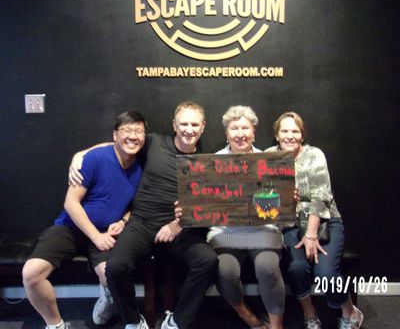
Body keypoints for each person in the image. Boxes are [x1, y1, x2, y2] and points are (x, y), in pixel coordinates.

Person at [68, 101, 219, 329]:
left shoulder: (207, 162)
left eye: (194, 124)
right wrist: (80, 154)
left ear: (203, 127)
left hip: (178, 229)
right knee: (115, 267)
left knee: (208, 261)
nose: (189, 129)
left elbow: (210, 206)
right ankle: (133, 321)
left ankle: (177, 321)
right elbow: (118, 143)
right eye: (184, 124)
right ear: (174, 125)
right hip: (141, 224)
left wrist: (178, 224)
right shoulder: (154, 142)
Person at [22, 111, 147, 329]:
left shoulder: (142, 168)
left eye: (138, 131)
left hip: (107, 232)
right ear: (115, 135)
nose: (133, 136)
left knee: (112, 276)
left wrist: (123, 220)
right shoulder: (96, 158)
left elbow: (133, 206)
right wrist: (96, 236)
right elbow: (71, 203)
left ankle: (108, 297)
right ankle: (56, 325)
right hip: (71, 228)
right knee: (31, 274)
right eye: (127, 130)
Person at [265, 112, 363, 329]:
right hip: (290, 223)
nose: (290, 136)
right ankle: (310, 314)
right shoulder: (268, 157)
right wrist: (284, 199)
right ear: (277, 135)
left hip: (325, 222)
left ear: (302, 135)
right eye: (285, 131)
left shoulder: (314, 155)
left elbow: (321, 198)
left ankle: (349, 311)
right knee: (296, 269)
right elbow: (262, 195)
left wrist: (310, 235)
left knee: (325, 274)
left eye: (295, 131)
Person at [207, 106, 285, 329]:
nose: (240, 134)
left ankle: (277, 325)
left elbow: (277, 205)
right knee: (225, 272)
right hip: (226, 233)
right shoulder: (212, 162)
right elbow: (205, 201)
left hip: (263, 231)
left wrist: (287, 197)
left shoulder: (269, 161)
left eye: (245, 128)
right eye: (234, 128)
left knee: (267, 268)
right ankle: (247, 315)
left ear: (254, 132)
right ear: (226, 133)